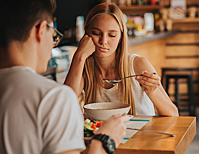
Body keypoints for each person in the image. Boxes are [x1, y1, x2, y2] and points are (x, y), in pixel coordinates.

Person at [0, 0, 129, 154]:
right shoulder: (53, 97)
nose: (53, 42)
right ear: (41, 30)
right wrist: (103, 141)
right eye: (54, 34)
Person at [65, 2, 179, 116]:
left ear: (120, 37)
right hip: (102, 133)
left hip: (142, 132)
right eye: (96, 33)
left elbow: (173, 114)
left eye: (112, 35)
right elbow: (64, 106)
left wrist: (152, 92)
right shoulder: (82, 67)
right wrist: (79, 56)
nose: (103, 41)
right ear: (86, 33)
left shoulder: (138, 65)